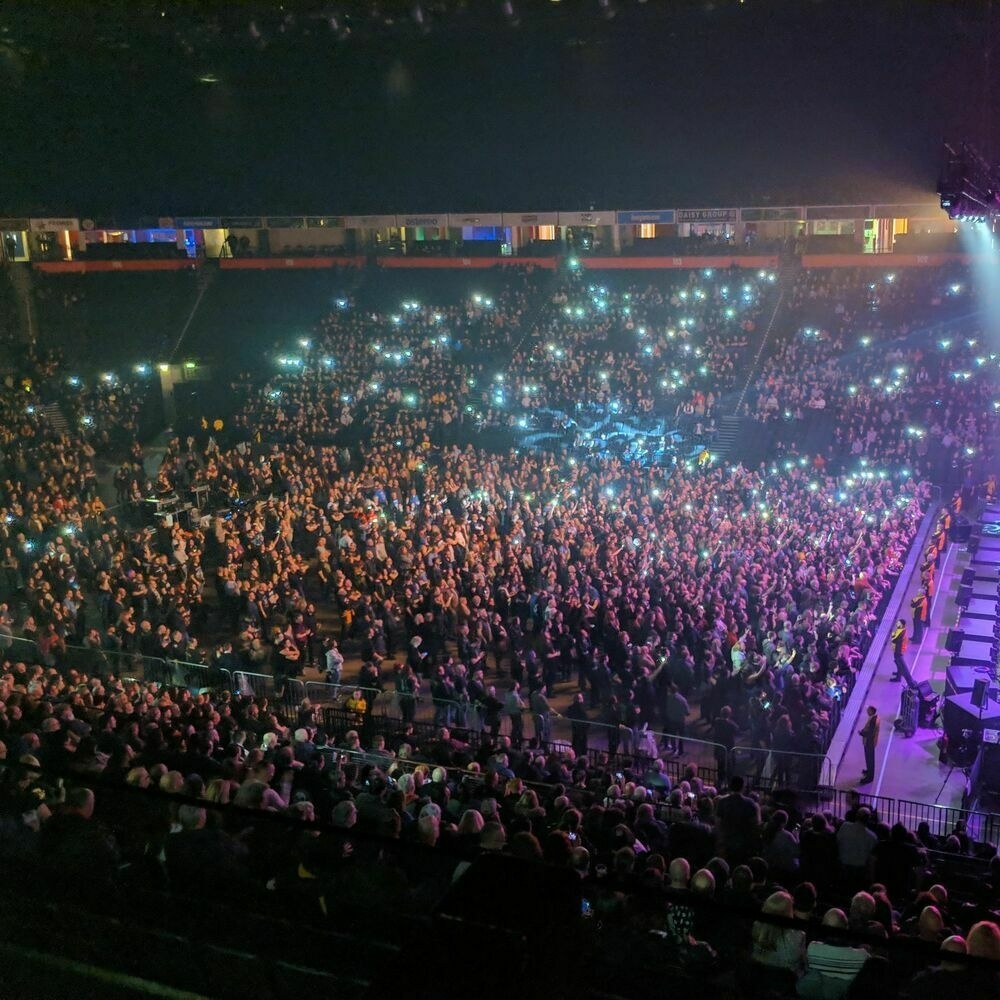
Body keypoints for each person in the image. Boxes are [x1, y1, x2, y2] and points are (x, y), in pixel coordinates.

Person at [858, 705, 879, 784]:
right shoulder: (872, 718)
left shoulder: (873, 721)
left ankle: (869, 777)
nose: (867, 711)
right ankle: (868, 771)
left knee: (870, 759)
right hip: (869, 742)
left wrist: (862, 733)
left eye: (868, 710)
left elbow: (870, 733)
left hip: (869, 742)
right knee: (868, 758)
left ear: (871, 711)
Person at [889, 619, 911, 685]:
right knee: (898, 663)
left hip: (898, 651)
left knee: (899, 664)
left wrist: (892, 635)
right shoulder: (901, 630)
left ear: (901, 624)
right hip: (898, 650)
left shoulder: (901, 632)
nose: (897, 623)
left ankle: (898, 678)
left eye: (898, 623)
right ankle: (898, 673)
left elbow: (894, 640)